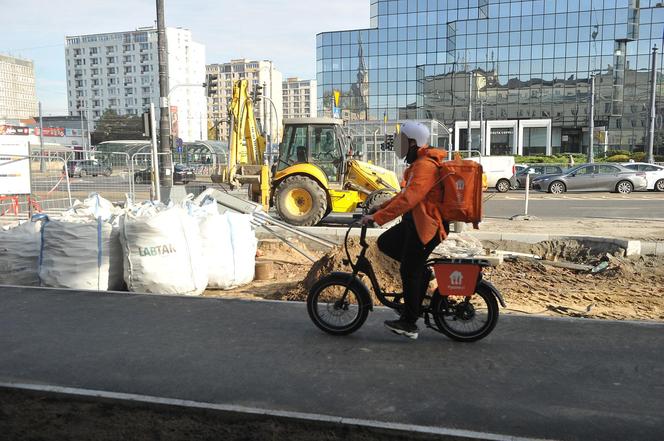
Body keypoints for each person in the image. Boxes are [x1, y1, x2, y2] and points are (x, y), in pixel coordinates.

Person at [361, 121, 449, 340]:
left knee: (409, 270)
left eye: (402, 142)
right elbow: (403, 195)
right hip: (416, 223)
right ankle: (422, 274)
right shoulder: (418, 165)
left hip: (428, 227)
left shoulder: (425, 166)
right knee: (386, 243)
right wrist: (378, 208)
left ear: (413, 143)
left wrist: (377, 218)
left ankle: (409, 323)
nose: (399, 147)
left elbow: (410, 199)